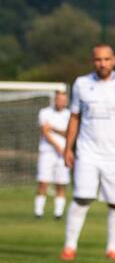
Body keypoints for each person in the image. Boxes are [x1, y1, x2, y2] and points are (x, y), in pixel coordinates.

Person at [62, 44, 115, 262]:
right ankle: (70, 247)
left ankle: (112, 249)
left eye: (107, 59)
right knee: (81, 199)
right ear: (93, 62)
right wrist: (67, 148)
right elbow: (74, 118)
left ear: (114, 60)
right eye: (98, 60)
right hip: (87, 153)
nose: (103, 63)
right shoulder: (81, 84)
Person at [35, 90, 71, 219]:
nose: (61, 102)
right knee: (43, 182)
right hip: (47, 152)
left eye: (63, 100)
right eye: (59, 99)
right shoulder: (45, 112)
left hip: (63, 155)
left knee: (61, 184)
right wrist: (57, 146)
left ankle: (58, 213)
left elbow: (69, 134)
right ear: (55, 100)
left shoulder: (70, 115)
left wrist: (54, 129)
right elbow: (45, 131)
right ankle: (38, 212)